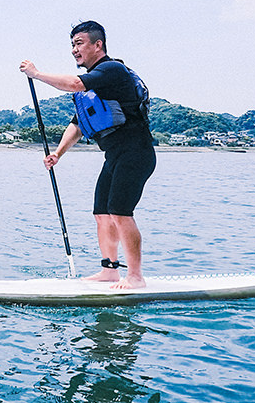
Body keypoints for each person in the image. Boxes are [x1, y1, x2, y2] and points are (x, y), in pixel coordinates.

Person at [19, 20, 155, 289]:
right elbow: (79, 124)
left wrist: (36, 74)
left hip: (136, 153)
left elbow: (73, 83)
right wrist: (58, 153)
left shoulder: (112, 71)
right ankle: (109, 270)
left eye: (79, 43)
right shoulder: (95, 87)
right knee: (102, 214)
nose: (74, 50)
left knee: (121, 213)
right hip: (114, 155)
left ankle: (136, 276)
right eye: (72, 45)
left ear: (98, 45)